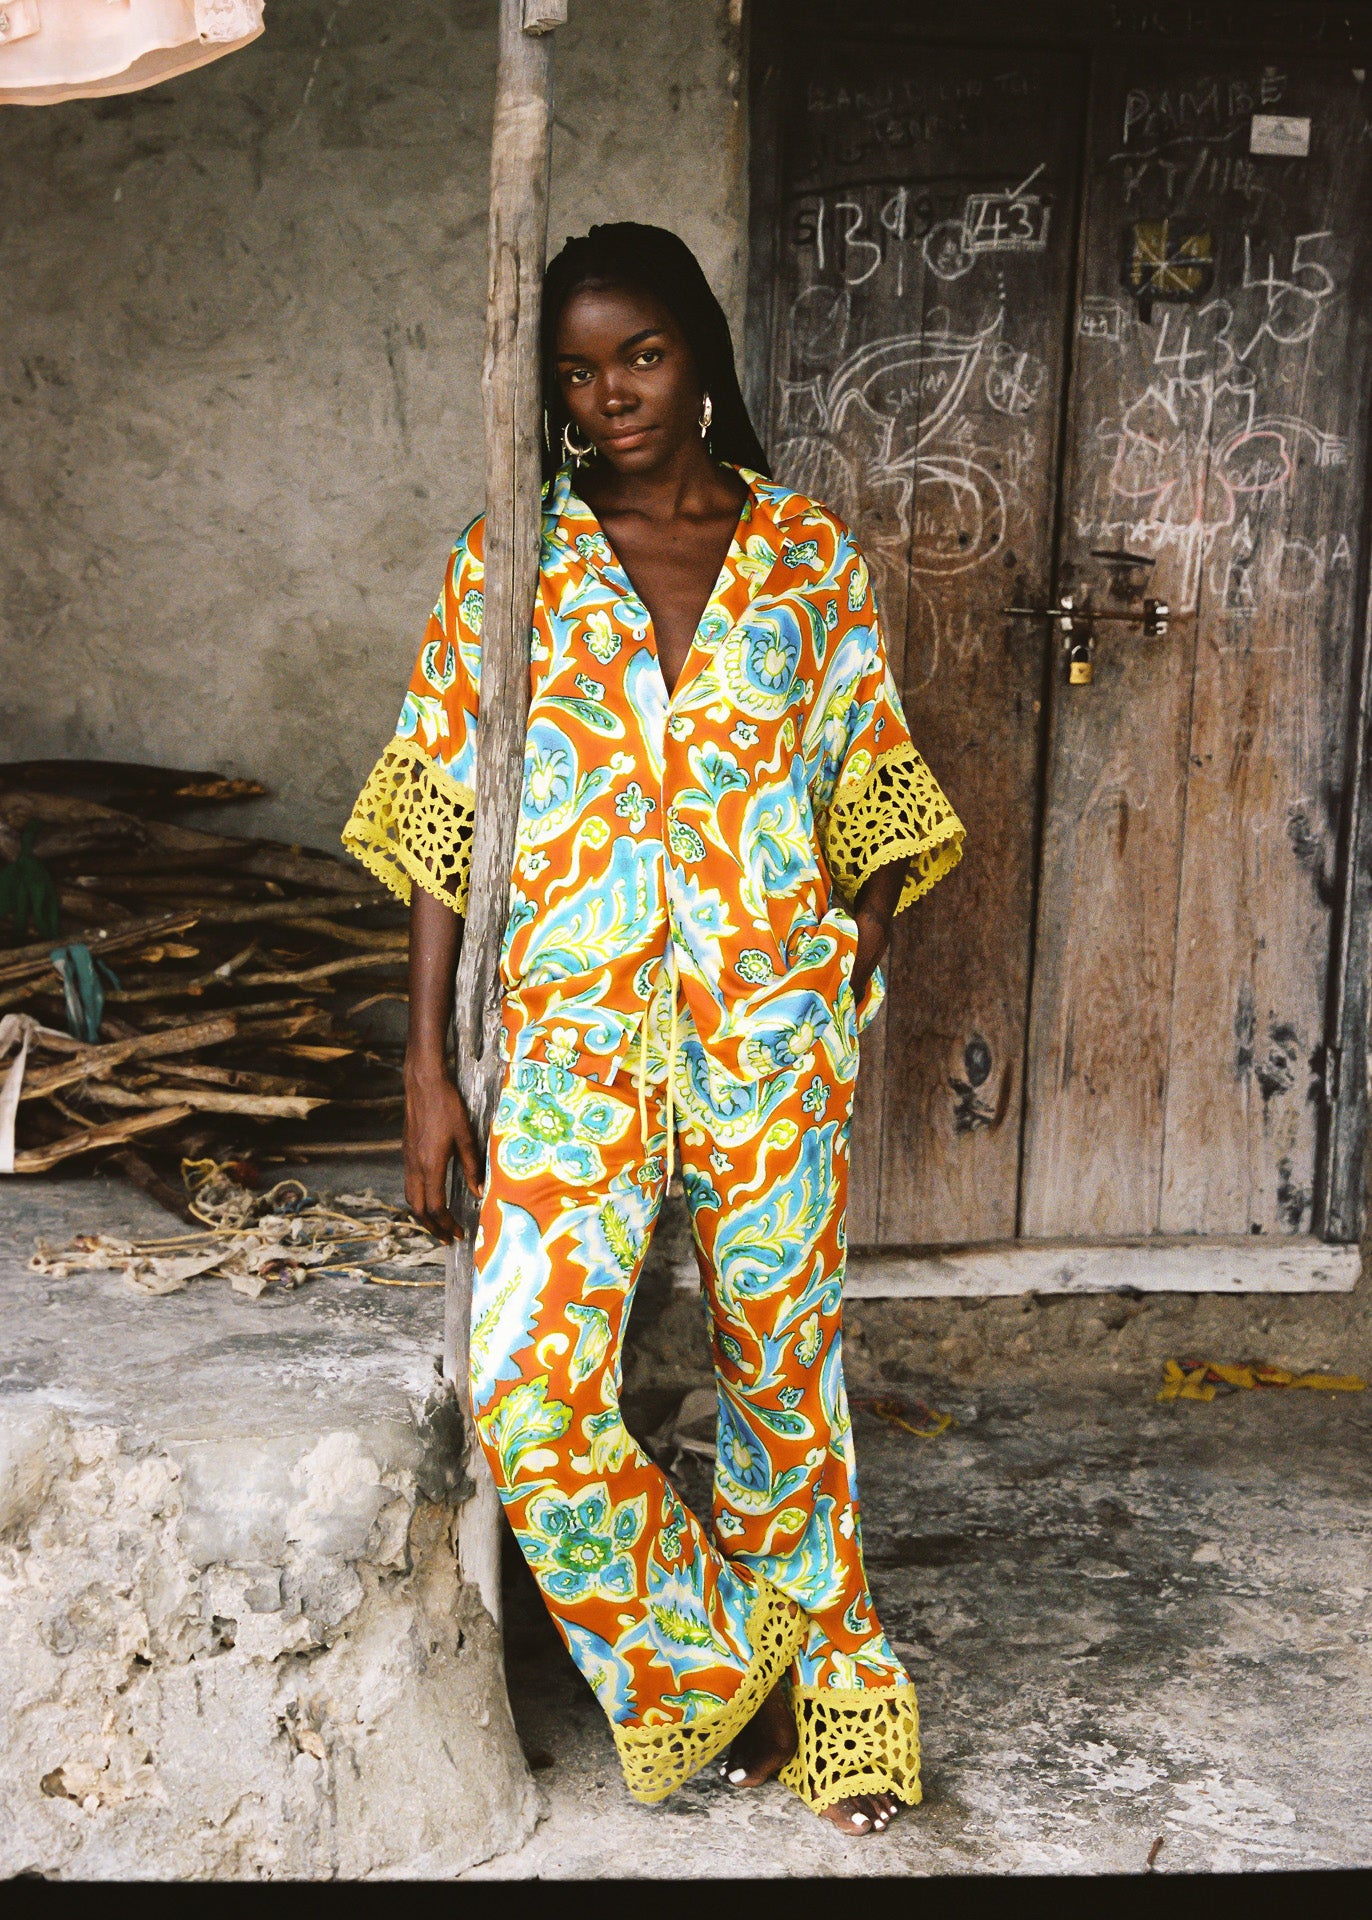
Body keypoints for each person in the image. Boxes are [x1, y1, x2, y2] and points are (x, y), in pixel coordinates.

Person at [343, 223, 964, 1835]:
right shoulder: (515, 560)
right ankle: (715, 1663)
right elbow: (436, 816)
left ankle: (838, 1705)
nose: (610, 396)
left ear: (698, 354)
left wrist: (853, 939)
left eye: (640, 355)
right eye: (576, 371)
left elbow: (875, 784)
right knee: (531, 1388)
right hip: (574, 1051)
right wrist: (428, 1068)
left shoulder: (808, 556)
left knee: (785, 1387)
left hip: (772, 1041)